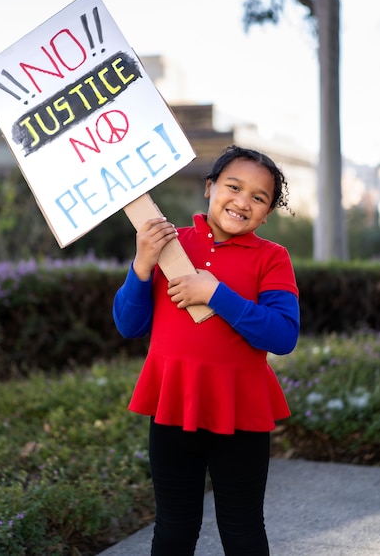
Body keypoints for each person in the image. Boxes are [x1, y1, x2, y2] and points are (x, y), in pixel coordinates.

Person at [113, 145, 300, 556]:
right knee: (174, 530)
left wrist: (216, 293)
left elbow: (283, 335)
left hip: (242, 411)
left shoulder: (272, 258)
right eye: (233, 187)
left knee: (243, 529)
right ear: (210, 187)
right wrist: (143, 264)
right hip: (174, 406)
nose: (242, 201)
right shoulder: (168, 243)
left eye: (258, 197)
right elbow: (129, 324)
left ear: (267, 213)